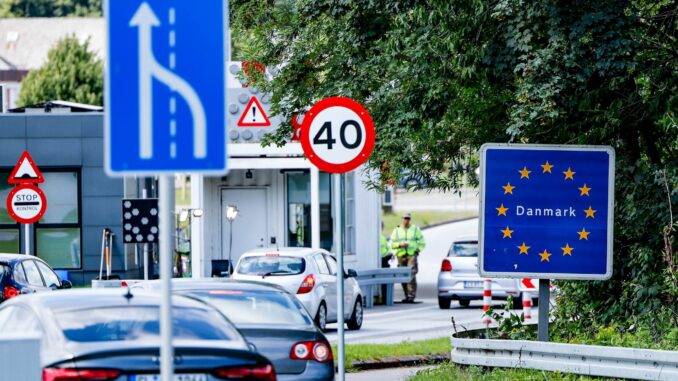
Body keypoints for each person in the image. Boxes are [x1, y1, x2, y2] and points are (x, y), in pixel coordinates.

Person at [390, 213, 426, 303]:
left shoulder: (415, 229)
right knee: (403, 276)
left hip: (411, 254)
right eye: (405, 218)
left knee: (411, 274)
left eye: (408, 218)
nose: (406, 220)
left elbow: (422, 242)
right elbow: (391, 244)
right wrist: (399, 245)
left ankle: (411, 295)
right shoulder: (397, 230)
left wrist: (417, 250)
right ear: (402, 219)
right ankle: (406, 295)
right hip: (401, 254)